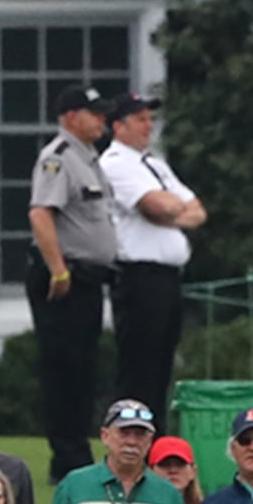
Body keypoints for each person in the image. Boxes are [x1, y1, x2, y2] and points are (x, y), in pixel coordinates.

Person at [22, 87, 117, 479]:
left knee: (82, 369)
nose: (101, 119)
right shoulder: (58, 159)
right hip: (64, 279)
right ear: (70, 117)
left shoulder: (89, 161)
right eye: (92, 113)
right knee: (64, 368)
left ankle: (77, 451)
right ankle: (67, 458)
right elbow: (41, 215)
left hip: (88, 279)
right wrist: (59, 269)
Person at [97, 93, 202, 428]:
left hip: (168, 278)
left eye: (150, 119)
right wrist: (169, 210)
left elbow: (196, 210)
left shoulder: (154, 164)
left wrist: (168, 213)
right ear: (119, 126)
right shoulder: (115, 163)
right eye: (140, 119)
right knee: (139, 368)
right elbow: (157, 205)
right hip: (138, 276)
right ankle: (129, 439)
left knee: (161, 366)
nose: (149, 126)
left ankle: (154, 443)